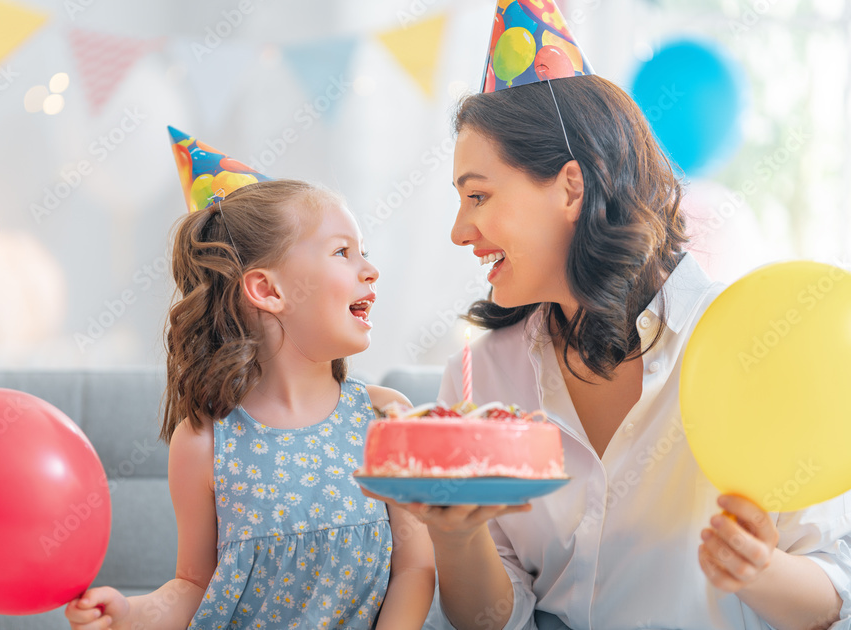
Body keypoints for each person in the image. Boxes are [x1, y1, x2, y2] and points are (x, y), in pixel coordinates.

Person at [363, 2, 851, 628]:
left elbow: (835, 586)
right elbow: (492, 619)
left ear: (572, 186)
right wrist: (456, 536)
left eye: (478, 196)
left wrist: (760, 573)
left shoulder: (750, 343)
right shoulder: (483, 372)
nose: (461, 231)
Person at [64, 135, 435, 630]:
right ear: (267, 289)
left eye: (362, 251)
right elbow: (193, 586)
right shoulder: (201, 443)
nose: (370, 269)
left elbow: (416, 567)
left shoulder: (388, 418)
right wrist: (130, 613)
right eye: (343, 252)